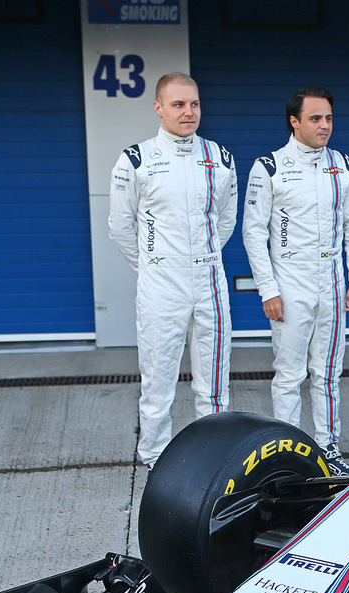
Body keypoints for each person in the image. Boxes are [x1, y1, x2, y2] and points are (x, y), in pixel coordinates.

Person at [108, 72, 238, 468]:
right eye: (179, 104)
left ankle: (211, 460)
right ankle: (154, 460)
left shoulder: (220, 156)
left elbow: (225, 220)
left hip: (210, 280)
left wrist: (202, 256)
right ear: (158, 108)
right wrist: (153, 264)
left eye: (194, 103)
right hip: (161, 283)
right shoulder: (137, 158)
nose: (188, 112)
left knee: (215, 384)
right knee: (159, 381)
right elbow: (120, 226)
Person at [243, 86, 349, 476]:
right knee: (290, 373)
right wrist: (269, 289)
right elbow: (253, 232)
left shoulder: (342, 165)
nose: (324, 125)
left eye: (328, 118)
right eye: (315, 118)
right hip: (290, 280)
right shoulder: (270, 167)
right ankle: (288, 453)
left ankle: (328, 447)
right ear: (294, 121)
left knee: (328, 372)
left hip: (332, 279)